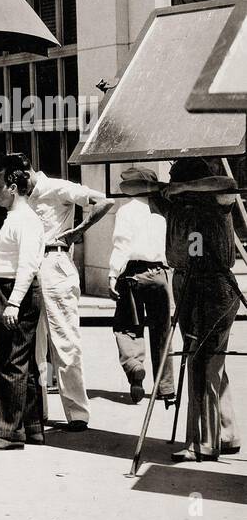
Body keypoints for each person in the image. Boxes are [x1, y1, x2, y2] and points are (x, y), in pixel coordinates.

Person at [7, 152, 114, 430]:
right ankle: (37, 410)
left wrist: (79, 230)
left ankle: (77, 412)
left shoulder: (58, 187)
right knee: (33, 344)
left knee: (65, 341)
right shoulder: (21, 197)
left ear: (27, 171)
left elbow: (104, 200)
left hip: (55, 262)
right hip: (29, 266)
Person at [162, 158, 240, 463]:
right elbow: (130, 184)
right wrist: (165, 187)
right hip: (186, 280)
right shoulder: (177, 205)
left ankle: (203, 442)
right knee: (209, 359)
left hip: (213, 283)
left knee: (200, 360)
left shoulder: (217, 200)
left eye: (175, 177)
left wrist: (184, 186)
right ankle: (228, 432)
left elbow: (226, 185)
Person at [0, 165, 46, 451]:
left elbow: (28, 265)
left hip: (14, 290)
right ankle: (31, 427)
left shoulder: (26, 220)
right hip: (6, 290)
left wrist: (14, 302)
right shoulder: (15, 218)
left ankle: (8, 432)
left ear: (13, 188)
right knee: (23, 362)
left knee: (8, 362)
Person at [108, 166, 176, 405]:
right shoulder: (163, 210)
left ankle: (134, 365)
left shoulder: (126, 211)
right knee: (162, 330)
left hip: (134, 273)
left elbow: (122, 245)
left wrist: (112, 274)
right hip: (160, 273)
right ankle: (165, 386)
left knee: (127, 324)